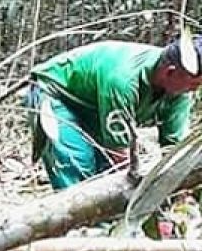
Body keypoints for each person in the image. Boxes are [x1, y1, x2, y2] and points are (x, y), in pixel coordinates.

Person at [27, 37, 202, 188]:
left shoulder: (180, 93)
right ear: (169, 72)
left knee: (104, 170)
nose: (195, 90)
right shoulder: (123, 80)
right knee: (77, 164)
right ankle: (77, 225)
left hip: (94, 105)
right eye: (194, 84)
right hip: (56, 92)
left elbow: (173, 148)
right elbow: (120, 154)